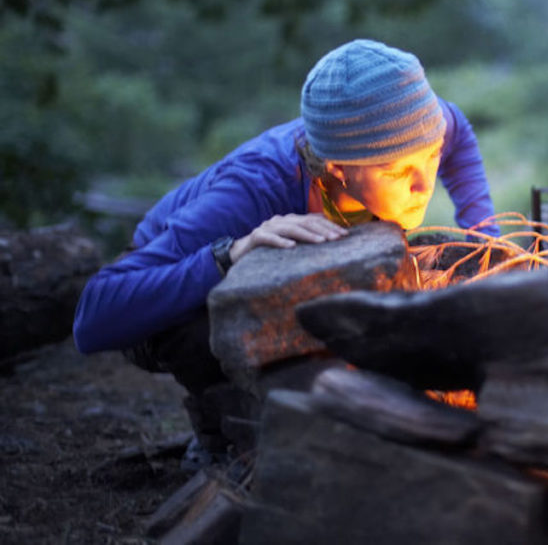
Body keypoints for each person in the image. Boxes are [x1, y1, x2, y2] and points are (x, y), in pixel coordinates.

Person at [72, 39, 498, 465]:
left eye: (430, 157)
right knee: (209, 330)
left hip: (309, 254)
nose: (424, 185)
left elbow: (454, 131)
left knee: (441, 260)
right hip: (163, 288)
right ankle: (226, 431)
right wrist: (229, 255)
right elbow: (93, 318)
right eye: (398, 170)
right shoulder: (253, 191)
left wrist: (484, 239)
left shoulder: (412, 124)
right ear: (336, 168)